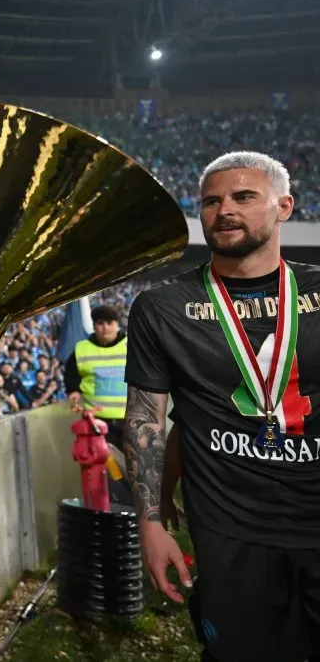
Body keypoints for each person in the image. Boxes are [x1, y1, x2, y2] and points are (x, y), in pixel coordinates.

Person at [123, 151, 319, 662]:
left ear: (284, 207)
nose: (224, 209)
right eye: (211, 200)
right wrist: (150, 521)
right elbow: (147, 418)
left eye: (243, 196)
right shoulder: (161, 308)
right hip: (230, 533)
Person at [65, 305, 128, 448]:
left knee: (132, 464)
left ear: (117, 324)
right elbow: (71, 373)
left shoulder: (131, 345)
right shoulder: (81, 349)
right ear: (94, 326)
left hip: (130, 418)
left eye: (109, 323)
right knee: (104, 465)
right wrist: (73, 390)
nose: (105, 327)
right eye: (100, 323)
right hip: (96, 420)